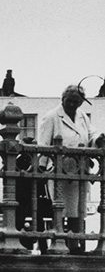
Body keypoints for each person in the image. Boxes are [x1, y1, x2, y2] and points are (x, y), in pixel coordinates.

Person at [38, 86, 105, 254]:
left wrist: (98, 139)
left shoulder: (82, 116)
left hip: (78, 171)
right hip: (58, 171)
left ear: (81, 102)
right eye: (70, 100)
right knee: (59, 209)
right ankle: (59, 244)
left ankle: (75, 246)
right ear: (63, 99)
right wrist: (41, 170)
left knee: (78, 210)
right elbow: (44, 145)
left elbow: (91, 134)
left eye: (77, 102)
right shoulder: (51, 117)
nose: (73, 104)